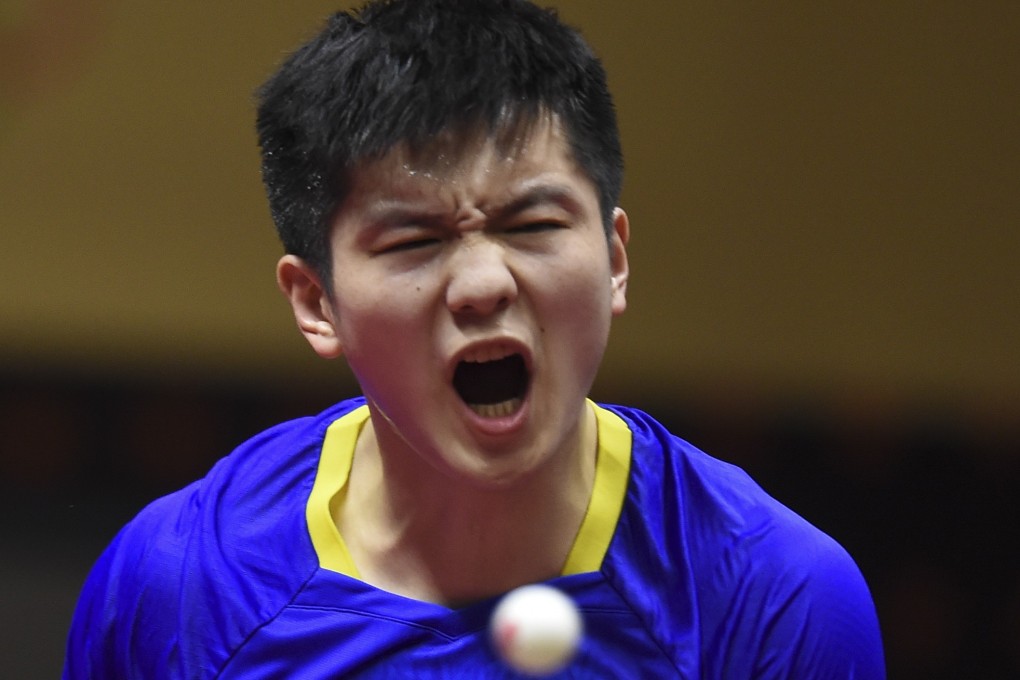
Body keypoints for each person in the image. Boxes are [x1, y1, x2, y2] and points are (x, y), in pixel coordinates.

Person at [64, 0, 885, 677]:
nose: (485, 282)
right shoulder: (179, 591)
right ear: (316, 301)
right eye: (415, 241)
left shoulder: (773, 599)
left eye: (531, 223)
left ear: (613, 259)